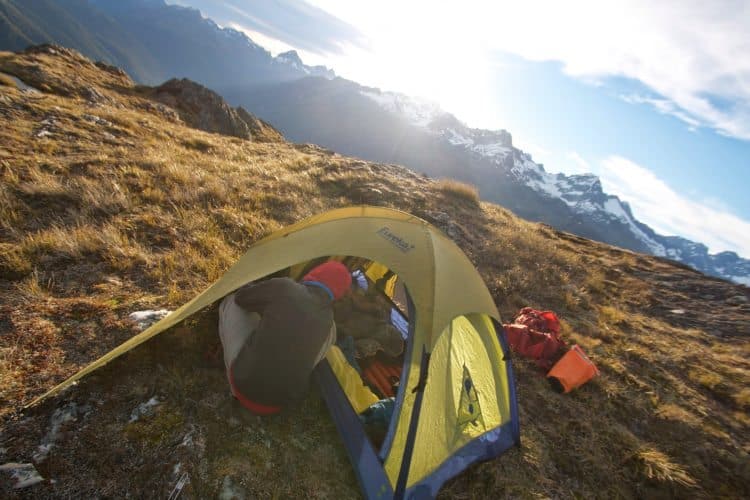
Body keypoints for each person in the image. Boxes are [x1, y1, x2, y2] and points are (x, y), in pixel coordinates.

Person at [218, 261, 352, 415]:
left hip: (244, 387)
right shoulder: (329, 320)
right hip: (279, 404)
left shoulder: (285, 287)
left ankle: (240, 373)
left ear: (317, 272)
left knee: (231, 301)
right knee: (328, 335)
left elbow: (242, 298)